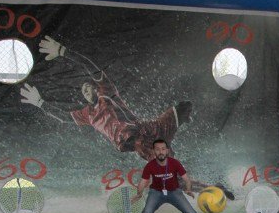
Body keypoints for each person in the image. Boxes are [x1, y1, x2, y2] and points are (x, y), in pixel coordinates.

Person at [20, 35, 192, 164]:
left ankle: (173, 139)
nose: (86, 91)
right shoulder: (87, 114)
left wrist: (63, 51)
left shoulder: (106, 92)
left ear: (95, 88)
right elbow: (63, 116)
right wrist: (39, 102)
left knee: (185, 106)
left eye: (88, 87)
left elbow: (91, 67)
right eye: (83, 91)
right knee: (162, 161)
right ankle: (178, 176)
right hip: (130, 138)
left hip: (147, 128)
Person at [133, 139, 210, 213]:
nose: (161, 152)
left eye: (163, 149)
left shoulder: (175, 163)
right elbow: (143, 181)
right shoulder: (150, 165)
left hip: (174, 192)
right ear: (154, 151)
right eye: (158, 149)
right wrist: (139, 194)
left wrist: (188, 189)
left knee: (191, 212)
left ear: (167, 151)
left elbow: (186, 179)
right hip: (156, 192)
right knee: (146, 212)